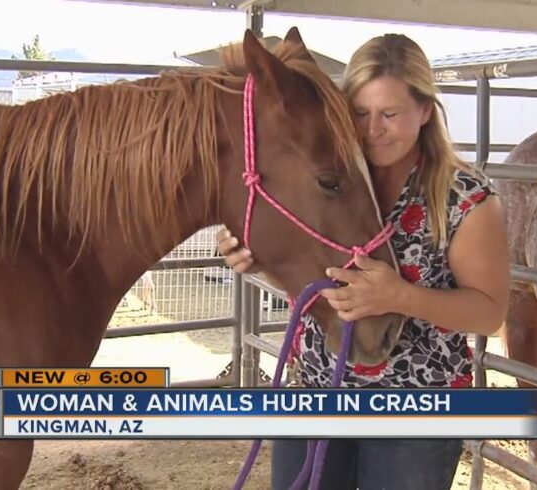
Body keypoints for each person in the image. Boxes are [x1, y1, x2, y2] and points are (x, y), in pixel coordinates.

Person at [216, 33, 510, 490]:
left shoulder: (464, 199)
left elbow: (490, 313)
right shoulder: (326, 178)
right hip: (317, 387)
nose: (374, 129)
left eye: (390, 114)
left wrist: (402, 296)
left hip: (418, 409)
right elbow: (311, 262)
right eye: (360, 112)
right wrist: (255, 259)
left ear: (425, 112)